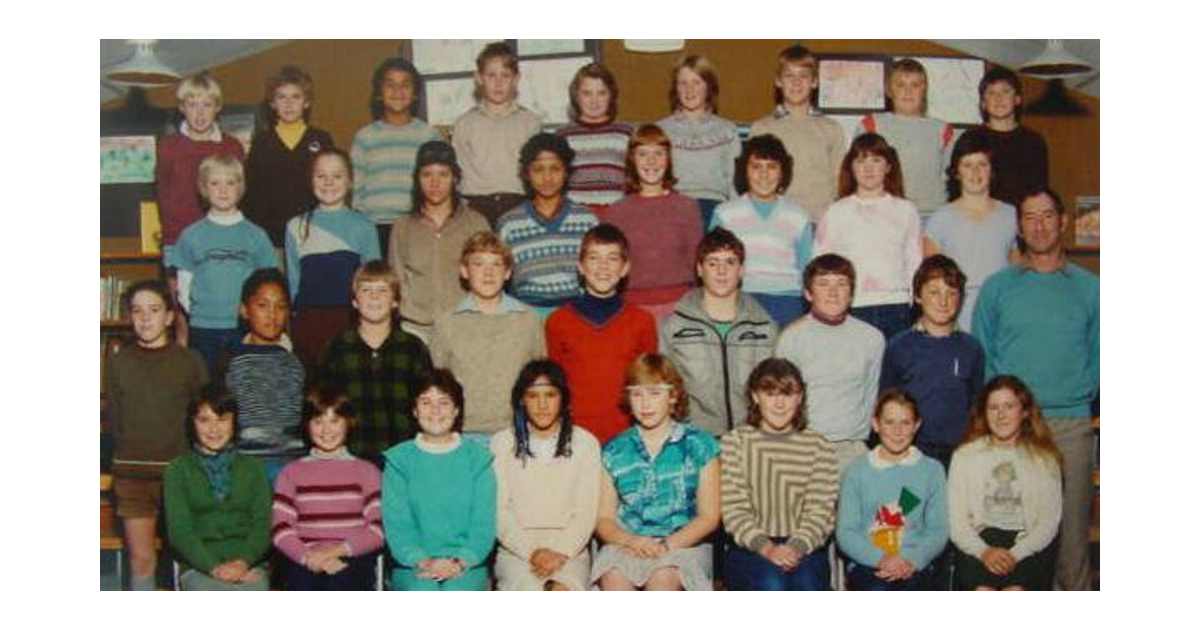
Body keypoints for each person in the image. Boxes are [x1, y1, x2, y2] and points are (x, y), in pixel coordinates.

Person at [972, 187, 1098, 591]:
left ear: (1062, 222)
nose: (1039, 225)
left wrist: (1078, 393)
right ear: (1019, 228)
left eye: (1047, 216)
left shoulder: (1091, 288)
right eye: (1029, 217)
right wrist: (1006, 416)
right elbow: (985, 354)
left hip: (1071, 423)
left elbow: (1104, 354)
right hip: (1014, 429)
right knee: (1016, 534)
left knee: (1073, 538)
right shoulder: (997, 288)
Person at [105, 280, 208, 590]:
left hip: (179, 475)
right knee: (142, 561)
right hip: (133, 476)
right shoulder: (118, 363)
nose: (145, 319)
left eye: (153, 310)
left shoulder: (189, 362)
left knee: (188, 559)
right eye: (137, 311)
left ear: (169, 317)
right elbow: (116, 418)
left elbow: (201, 421)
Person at [592, 353, 721, 591]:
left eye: (654, 393)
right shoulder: (613, 450)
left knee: (662, 577)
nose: (645, 403)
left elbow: (709, 517)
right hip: (628, 541)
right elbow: (604, 519)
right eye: (637, 394)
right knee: (613, 576)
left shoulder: (700, 445)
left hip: (683, 544)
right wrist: (632, 541)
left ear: (673, 396)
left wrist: (666, 544)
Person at [720, 358, 837, 591]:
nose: (780, 404)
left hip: (805, 545)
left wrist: (795, 547)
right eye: (770, 394)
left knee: (809, 585)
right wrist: (767, 548)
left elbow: (820, 511)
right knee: (771, 585)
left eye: (788, 393)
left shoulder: (818, 445)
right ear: (755, 396)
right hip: (749, 546)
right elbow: (734, 510)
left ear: (800, 397)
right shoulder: (735, 442)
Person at [491, 360, 602, 591]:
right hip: (516, 550)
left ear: (563, 399)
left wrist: (560, 552)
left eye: (550, 395)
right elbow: (499, 512)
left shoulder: (585, 444)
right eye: (533, 396)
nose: (542, 405)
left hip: (570, 549)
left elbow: (586, 512)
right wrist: (532, 551)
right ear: (521, 400)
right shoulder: (502, 443)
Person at [382, 370, 496, 590]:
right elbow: (398, 526)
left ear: (456, 410)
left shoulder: (478, 460)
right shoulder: (399, 460)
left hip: (468, 564)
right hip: (412, 565)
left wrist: (459, 562)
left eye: (444, 402)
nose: (435, 410)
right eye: (426, 402)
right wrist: (423, 561)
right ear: (415, 410)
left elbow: (483, 526)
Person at [949, 376, 1063, 591]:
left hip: (1028, 542)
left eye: (1009, 406)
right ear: (984, 413)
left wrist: (1016, 554)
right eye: (993, 408)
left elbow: (1049, 523)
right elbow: (957, 521)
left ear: (1025, 411)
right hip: (979, 541)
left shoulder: (1045, 459)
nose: (1001, 415)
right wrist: (983, 551)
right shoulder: (965, 455)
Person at [429, 232, 546, 442]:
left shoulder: (529, 320)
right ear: (464, 271)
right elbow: (438, 387)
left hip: (516, 431)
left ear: (508, 272)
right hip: (463, 433)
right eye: (479, 264)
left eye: (497, 264)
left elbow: (539, 383)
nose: (488, 273)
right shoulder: (446, 323)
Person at [546, 224, 657, 444]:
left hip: (628, 437)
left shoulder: (642, 321)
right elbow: (554, 387)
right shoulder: (558, 321)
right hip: (574, 437)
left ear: (625, 268)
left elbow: (648, 386)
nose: (603, 267)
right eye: (594, 258)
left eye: (612, 258)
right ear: (580, 266)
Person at [660, 228, 777, 435]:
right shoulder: (673, 327)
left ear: (741, 269)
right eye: (713, 263)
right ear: (699, 269)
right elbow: (664, 391)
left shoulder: (765, 327)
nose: (721, 271)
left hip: (751, 439)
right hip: (695, 440)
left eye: (730, 262)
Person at [774, 254, 884, 474]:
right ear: (808, 293)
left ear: (852, 293)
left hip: (852, 449)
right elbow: (780, 401)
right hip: (803, 447)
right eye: (823, 284)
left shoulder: (872, 338)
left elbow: (870, 395)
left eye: (841, 284)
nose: (833, 293)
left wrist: (858, 442)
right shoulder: (791, 338)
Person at [317, 260, 432, 467]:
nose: (374, 296)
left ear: (396, 301)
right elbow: (320, 406)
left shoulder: (413, 348)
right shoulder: (336, 349)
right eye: (366, 289)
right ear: (354, 301)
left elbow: (427, 403)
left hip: (405, 459)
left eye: (382, 289)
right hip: (350, 459)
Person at [173, 154, 277, 374]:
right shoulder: (191, 235)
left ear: (240, 187)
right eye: (215, 183)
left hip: (244, 327)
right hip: (203, 327)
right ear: (203, 188)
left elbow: (268, 285)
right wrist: (201, 310)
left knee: (244, 387)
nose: (223, 190)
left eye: (230, 183)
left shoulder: (256, 235)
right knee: (205, 388)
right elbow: (183, 284)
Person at [272, 386, 384, 590]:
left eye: (334, 421)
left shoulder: (367, 471)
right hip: (305, 557)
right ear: (307, 425)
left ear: (348, 423)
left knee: (343, 582)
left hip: (352, 556)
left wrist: (335, 552)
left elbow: (377, 529)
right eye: (318, 421)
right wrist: (308, 557)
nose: (326, 430)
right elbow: (281, 529)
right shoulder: (291, 472)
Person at [880, 255, 985, 470]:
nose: (943, 301)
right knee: (906, 504)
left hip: (959, 456)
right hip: (911, 455)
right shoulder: (898, 346)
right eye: (934, 292)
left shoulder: (971, 349)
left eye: (951, 293)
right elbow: (885, 406)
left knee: (954, 505)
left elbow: (976, 407)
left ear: (961, 298)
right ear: (918, 296)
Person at [837, 389, 948, 591]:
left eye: (905, 423)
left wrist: (914, 560)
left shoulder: (932, 470)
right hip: (868, 562)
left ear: (917, 425)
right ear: (876, 424)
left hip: (914, 562)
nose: (897, 430)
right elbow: (846, 532)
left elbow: (938, 530)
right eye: (889, 422)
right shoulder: (857, 470)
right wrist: (881, 559)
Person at [163, 385, 271, 591]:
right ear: (192, 423)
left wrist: (243, 562)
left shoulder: (254, 468)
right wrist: (213, 568)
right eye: (204, 420)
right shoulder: (177, 470)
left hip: (249, 565)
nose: (214, 429)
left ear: (234, 423)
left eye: (222, 419)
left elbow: (263, 525)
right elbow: (180, 531)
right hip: (200, 567)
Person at [815, 132, 922, 339]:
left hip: (896, 306)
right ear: (851, 167)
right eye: (861, 161)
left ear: (888, 166)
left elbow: (914, 261)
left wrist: (914, 304)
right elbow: (822, 263)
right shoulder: (837, 211)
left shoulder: (906, 210)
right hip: (853, 305)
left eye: (876, 160)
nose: (869, 168)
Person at [285, 148, 381, 368]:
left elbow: (373, 282)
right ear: (311, 181)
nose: (328, 182)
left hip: (350, 321)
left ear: (350, 182)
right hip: (308, 324)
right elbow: (293, 283)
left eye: (337, 176)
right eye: (321, 176)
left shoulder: (364, 226)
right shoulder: (295, 226)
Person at [387, 140, 490, 341]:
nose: (435, 183)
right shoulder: (403, 226)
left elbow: (489, 277)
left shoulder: (476, 223)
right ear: (417, 179)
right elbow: (396, 279)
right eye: (427, 175)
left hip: (465, 326)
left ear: (455, 178)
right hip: (415, 329)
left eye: (443, 174)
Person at [710, 133, 815, 325]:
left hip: (787, 302)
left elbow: (806, 269)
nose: (764, 175)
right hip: (740, 299)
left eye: (772, 167)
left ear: (783, 171)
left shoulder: (799, 216)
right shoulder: (725, 214)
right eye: (756, 166)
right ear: (744, 171)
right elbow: (713, 268)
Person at [604, 123, 704, 322]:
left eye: (659, 153)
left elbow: (698, 266)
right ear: (632, 159)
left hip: (680, 308)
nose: (651, 161)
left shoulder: (687, 207)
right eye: (643, 154)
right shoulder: (617, 211)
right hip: (631, 309)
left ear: (668, 159)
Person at [219, 269, 305, 485]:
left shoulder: (299, 360)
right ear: (244, 310)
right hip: (244, 465)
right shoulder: (229, 360)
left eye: (281, 306)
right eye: (262, 305)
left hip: (292, 465)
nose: (272, 314)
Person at [496, 133, 599, 315]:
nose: (547, 177)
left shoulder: (586, 221)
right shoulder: (509, 224)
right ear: (526, 174)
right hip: (526, 314)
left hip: (577, 313)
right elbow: (501, 281)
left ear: (566, 172)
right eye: (538, 169)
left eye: (555, 169)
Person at [924, 132, 1018, 331]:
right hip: (956, 314)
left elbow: (1017, 274)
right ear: (956, 172)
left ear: (992, 170)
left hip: (1000, 312)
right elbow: (931, 281)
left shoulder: (1011, 215)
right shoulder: (940, 219)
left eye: (982, 164)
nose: (975, 172)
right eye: (967, 165)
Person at [351, 57, 441, 253]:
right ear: (379, 93)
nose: (398, 92)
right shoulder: (365, 137)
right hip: (373, 227)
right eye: (390, 85)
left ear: (416, 93)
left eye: (405, 85)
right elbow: (354, 190)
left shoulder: (428, 135)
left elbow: (440, 185)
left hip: (417, 226)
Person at [243, 64, 335, 251]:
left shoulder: (321, 140)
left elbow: (332, 189)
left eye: (295, 97)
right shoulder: (262, 143)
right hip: (271, 240)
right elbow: (251, 194)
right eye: (281, 97)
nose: (289, 103)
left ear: (307, 102)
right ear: (272, 103)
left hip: (313, 236)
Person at [156, 72, 246, 261]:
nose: (200, 112)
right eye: (193, 105)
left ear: (217, 107)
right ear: (182, 107)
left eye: (207, 105)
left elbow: (238, 195)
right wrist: (172, 239)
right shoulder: (168, 147)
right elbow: (163, 197)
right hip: (179, 241)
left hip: (222, 238)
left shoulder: (232, 147)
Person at [750, 45, 844, 222]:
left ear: (814, 82)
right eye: (789, 76)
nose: (796, 82)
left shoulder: (831, 129)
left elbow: (839, 181)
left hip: (819, 221)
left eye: (803, 76)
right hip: (777, 221)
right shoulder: (762, 128)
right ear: (778, 81)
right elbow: (752, 181)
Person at [454, 42, 544, 227]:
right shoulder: (464, 124)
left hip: (519, 204)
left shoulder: (530, 123)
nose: (498, 82)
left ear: (516, 79)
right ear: (478, 78)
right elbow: (457, 173)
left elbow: (538, 171)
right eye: (491, 75)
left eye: (505, 75)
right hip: (475, 206)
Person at [855, 58, 954, 217]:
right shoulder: (871, 125)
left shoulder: (943, 130)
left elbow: (952, 179)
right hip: (883, 213)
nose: (908, 91)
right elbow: (858, 172)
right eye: (901, 85)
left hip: (931, 215)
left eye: (915, 85)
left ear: (924, 89)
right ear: (889, 90)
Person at [656, 55, 739, 228]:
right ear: (675, 88)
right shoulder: (661, 130)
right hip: (673, 209)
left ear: (708, 87)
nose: (689, 89)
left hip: (716, 210)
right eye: (683, 83)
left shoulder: (727, 130)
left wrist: (734, 222)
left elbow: (733, 183)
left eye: (697, 82)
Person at [952, 66, 1048, 207]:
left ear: (1017, 99)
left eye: (1005, 91)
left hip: (1020, 222)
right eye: (991, 93)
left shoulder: (1033, 141)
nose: (998, 98)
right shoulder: (970, 138)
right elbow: (956, 186)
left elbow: (1039, 192)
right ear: (983, 103)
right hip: (979, 219)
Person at [556, 62, 635, 216]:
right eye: (587, 93)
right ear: (576, 95)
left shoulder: (626, 133)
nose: (594, 101)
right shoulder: (562, 136)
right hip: (575, 215)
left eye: (601, 93)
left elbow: (636, 180)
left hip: (617, 212)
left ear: (611, 95)